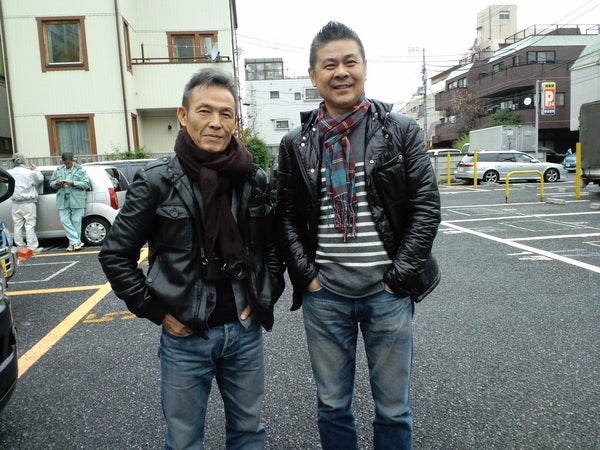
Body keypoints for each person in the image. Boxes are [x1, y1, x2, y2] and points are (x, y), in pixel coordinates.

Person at [98, 68, 285, 450]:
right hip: (185, 336)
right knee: (184, 440)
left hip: (244, 330)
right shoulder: (157, 181)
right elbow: (116, 254)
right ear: (183, 116)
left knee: (249, 432)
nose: (216, 122)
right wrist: (158, 312)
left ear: (235, 121)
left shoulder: (252, 178)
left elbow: (270, 247)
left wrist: (263, 295)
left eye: (226, 113)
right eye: (205, 111)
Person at [276, 21, 441, 450]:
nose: (341, 72)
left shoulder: (400, 131)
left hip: (387, 293)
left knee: (394, 409)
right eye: (329, 64)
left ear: (365, 67)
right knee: (332, 406)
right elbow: (286, 217)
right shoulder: (296, 143)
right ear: (313, 75)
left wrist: (398, 279)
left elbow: (425, 209)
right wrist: (307, 278)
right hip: (325, 296)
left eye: (350, 61)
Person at [49, 152, 91, 251]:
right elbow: (51, 183)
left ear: (73, 160)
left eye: (69, 162)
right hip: (63, 199)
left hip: (77, 199)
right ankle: (76, 242)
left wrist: (73, 183)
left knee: (76, 221)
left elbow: (86, 184)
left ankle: (73, 244)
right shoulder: (58, 170)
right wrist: (57, 183)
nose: (67, 164)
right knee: (64, 220)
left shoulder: (80, 170)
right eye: (65, 163)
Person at [8, 153, 44, 252]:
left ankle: (20, 247)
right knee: (29, 225)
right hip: (28, 202)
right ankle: (32, 247)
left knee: (17, 224)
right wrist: (36, 170)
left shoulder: (9, 173)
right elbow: (40, 180)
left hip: (15, 203)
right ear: (23, 160)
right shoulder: (29, 172)